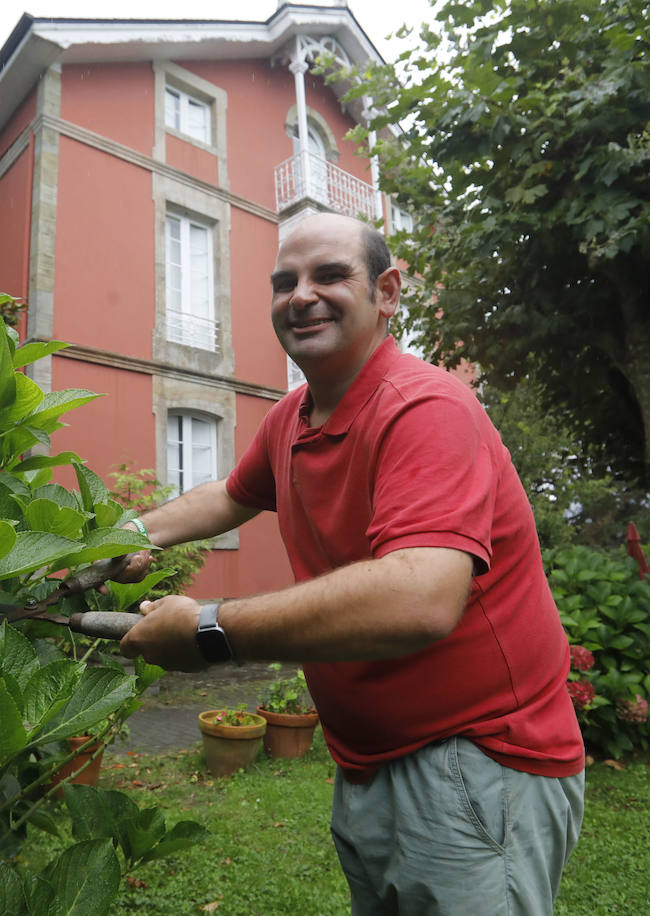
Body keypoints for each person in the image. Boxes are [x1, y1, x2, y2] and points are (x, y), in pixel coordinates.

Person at [116, 212, 585, 915]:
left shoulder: (423, 406)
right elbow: (228, 496)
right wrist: (117, 537)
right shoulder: (294, 417)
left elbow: (418, 598)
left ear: (388, 292)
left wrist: (208, 629)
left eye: (329, 275)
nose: (300, 295)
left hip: (477, 759)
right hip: (372, 759)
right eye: (284, 282)